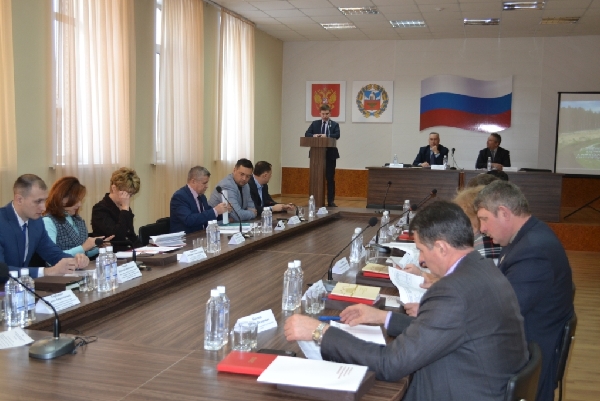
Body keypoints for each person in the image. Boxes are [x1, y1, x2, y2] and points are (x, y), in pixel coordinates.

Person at [284, 201, 528, 401]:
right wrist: (384, 317)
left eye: (421, 249)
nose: (421, 260)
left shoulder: (453, 292)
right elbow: (444, 328)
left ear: (442, 248)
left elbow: (390, 364)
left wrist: (320, 332)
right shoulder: (482, 269)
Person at [474, 180, 574, 401]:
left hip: (527, 356)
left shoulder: (533, 252)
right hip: (523, 339)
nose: (482, 228)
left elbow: (502, 313)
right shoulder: (526, 237)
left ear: (504, 213)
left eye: (484, 219)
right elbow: (499, 291)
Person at [0, 174, 89, 282]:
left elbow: (52, 253)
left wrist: (75, 260)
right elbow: (1, 271)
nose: (43, 208)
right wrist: (47, 271)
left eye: (44, 201)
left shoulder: (36, 222)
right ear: (19, 199)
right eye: (38, 201)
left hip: (22, 287)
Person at [43, 176, 110, 258]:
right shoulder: (48, 221)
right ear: (63, 198)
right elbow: (51, 257)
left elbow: (85, 253)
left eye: (80, 200)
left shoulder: (77, 219)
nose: (79, 204)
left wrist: (99, 247)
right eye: (76, 200)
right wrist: (83, 247)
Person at [91, 167, 142, 251]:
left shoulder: (124, 207)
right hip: (111, 254)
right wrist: (125, 209)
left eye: (131, 195)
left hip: (128, 251)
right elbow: (118, 236)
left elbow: (131, 235)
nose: (128, 198)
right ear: (114, 188)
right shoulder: (100, 209)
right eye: (126, 194)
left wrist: (143, 249)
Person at [170, 166, 230, 234]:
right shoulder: (180, 197)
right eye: (204, 183)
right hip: (186, 238)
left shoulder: (202, 197)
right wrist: (215, 211)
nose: (207, 186)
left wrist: (223, 211)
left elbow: (208, 216)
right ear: (193, 181)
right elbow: (188, 220)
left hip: (201, 236)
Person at [305, 104, 340, 207]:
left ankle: (330, 201)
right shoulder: (315, 124)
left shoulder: (334, 125)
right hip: (316, 156)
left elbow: (337, 135)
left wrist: (326, 136)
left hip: (330, 155)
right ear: (320, 114)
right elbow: (307, 134)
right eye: (323, 114)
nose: (325, 116)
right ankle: (316, 200)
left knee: (330, 178)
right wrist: (314, 135)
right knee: (316, 178)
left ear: (330, 113)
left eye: (327, 114)